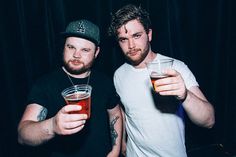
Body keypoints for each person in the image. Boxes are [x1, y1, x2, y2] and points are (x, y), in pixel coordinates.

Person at [108, 4, 215, 157]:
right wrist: (123, 143)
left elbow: (209, 120)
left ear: (149, 34)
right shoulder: (119, 74)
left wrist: (185, 94)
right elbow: (125, 111)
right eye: (123, 39)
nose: (131, 45)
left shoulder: (175, 67)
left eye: (136, 36)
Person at [18, 19, 122, 157]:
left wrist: (115, 150)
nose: (76, 55)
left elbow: (115, 113)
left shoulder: (104, 81)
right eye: (71, 47)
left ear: (96, 52)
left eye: (85, 50)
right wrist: (53, 126)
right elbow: (23, 134)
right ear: (64, 47)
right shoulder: (45, 84)